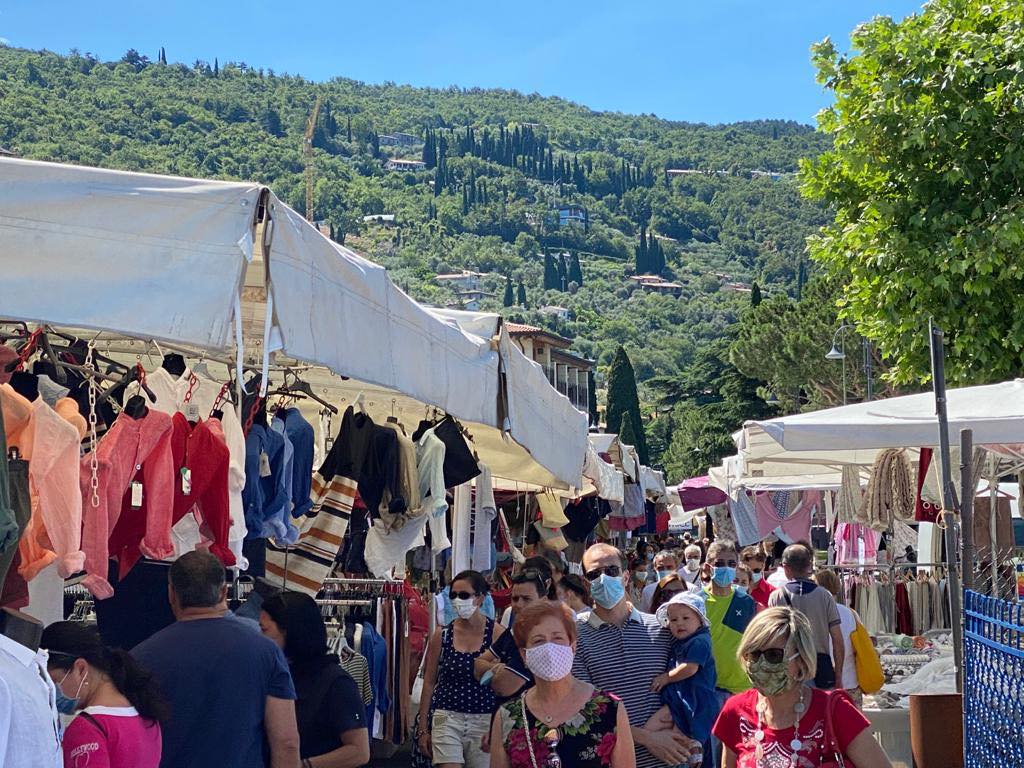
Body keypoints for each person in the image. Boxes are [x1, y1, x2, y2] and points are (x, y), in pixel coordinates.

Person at [132, 551, 299, 768]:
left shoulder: (140, 657)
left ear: (172, 594)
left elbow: (133, 743)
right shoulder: (266, 650)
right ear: (223, 592)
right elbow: (286, 742)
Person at [712, 607, 893, 768]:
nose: (762, 664)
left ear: (801, 659)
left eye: (773, 655)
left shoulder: (835, 711)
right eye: (754, 655)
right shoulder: (735, 712)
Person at [573, 542, 698, 768]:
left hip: (671, 759)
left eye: (611, 571)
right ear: (585, 583)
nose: (603, 578)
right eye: (594, 574)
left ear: (626, 576)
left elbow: (691, 684)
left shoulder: (662, 628)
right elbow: (583, 709)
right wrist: (648, 739)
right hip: (613, 760)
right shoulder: (576, 637)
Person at [490, 600, 636, 768]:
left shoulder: (610, 709)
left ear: (573, 647)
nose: (549, 648)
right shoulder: (507, 716)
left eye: (557, 638)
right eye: (538, 641)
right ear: (524, 655)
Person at [259, 592, 371, 768]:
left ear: (289, 630)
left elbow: (359, 751)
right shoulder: (274, 675)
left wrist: (304, 765)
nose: (259, 637)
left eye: (264, 629)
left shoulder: (336, 683)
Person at [42, 621, 165, 768]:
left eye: (53, 681)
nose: (49, 691)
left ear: (80, 669)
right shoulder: (147, 715)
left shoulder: (87, 728)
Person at [417, 570, 498, 768]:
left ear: (480, 598)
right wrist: (422, 728)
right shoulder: (442, 635)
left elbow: (503, 684)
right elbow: (429, 682)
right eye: (453, 595)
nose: (457, 600)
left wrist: (498, 726)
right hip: (446, 716)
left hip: (483, 718)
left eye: (464, 595)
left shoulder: (496, 634)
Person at [645, 592, 719, 768]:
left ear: (700, 620)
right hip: (678, 698)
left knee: (688, 728)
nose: (679, 623)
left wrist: (666, 678)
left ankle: (694, 749)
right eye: (673, 620)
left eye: (686, 618)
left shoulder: (700, 641)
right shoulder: (681, 641)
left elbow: (690, 668)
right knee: (650, 729)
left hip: (694, 697)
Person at [702, 539, 757, 766]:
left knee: (745, 752)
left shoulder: (746, 602)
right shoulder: (697, 601)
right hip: (709, 689)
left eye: (730, 563)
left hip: (742, 689)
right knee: (715, 756)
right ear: (708, 566)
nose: (725, 567)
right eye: (719, 562)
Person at [767, 544, 844, 690]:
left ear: (786, 567)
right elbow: (837, 640)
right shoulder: (824, 596)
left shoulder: (776, 597)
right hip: (820, 667)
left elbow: (772, 637)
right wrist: (838, 675)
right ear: (809, 565)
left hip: (789, 668)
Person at [474, 572, 548, 701]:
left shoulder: (542, 639)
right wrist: (496, 668)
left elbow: (504, 686)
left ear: (543, 600)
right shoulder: (512, 632)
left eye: (526, 599)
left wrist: (493, 670)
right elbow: (477, 664)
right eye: (515, 599)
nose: (518, 604)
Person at [813, 569, 863, 707]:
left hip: (822, 680)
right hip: (850, 680)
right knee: (853, 725)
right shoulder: (850, 613)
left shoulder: (813, 613)